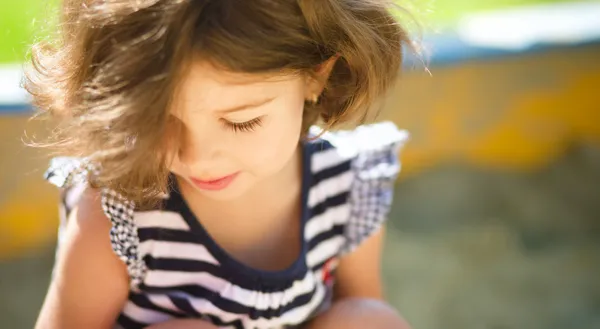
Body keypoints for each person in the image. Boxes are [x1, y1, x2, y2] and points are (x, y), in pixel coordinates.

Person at [25, 0, 413, 328]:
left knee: (366, 318)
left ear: (316, 76)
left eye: (242, 121)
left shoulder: (344, 186)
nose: (197, 158)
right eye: (160, 121)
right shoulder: (120, 214)